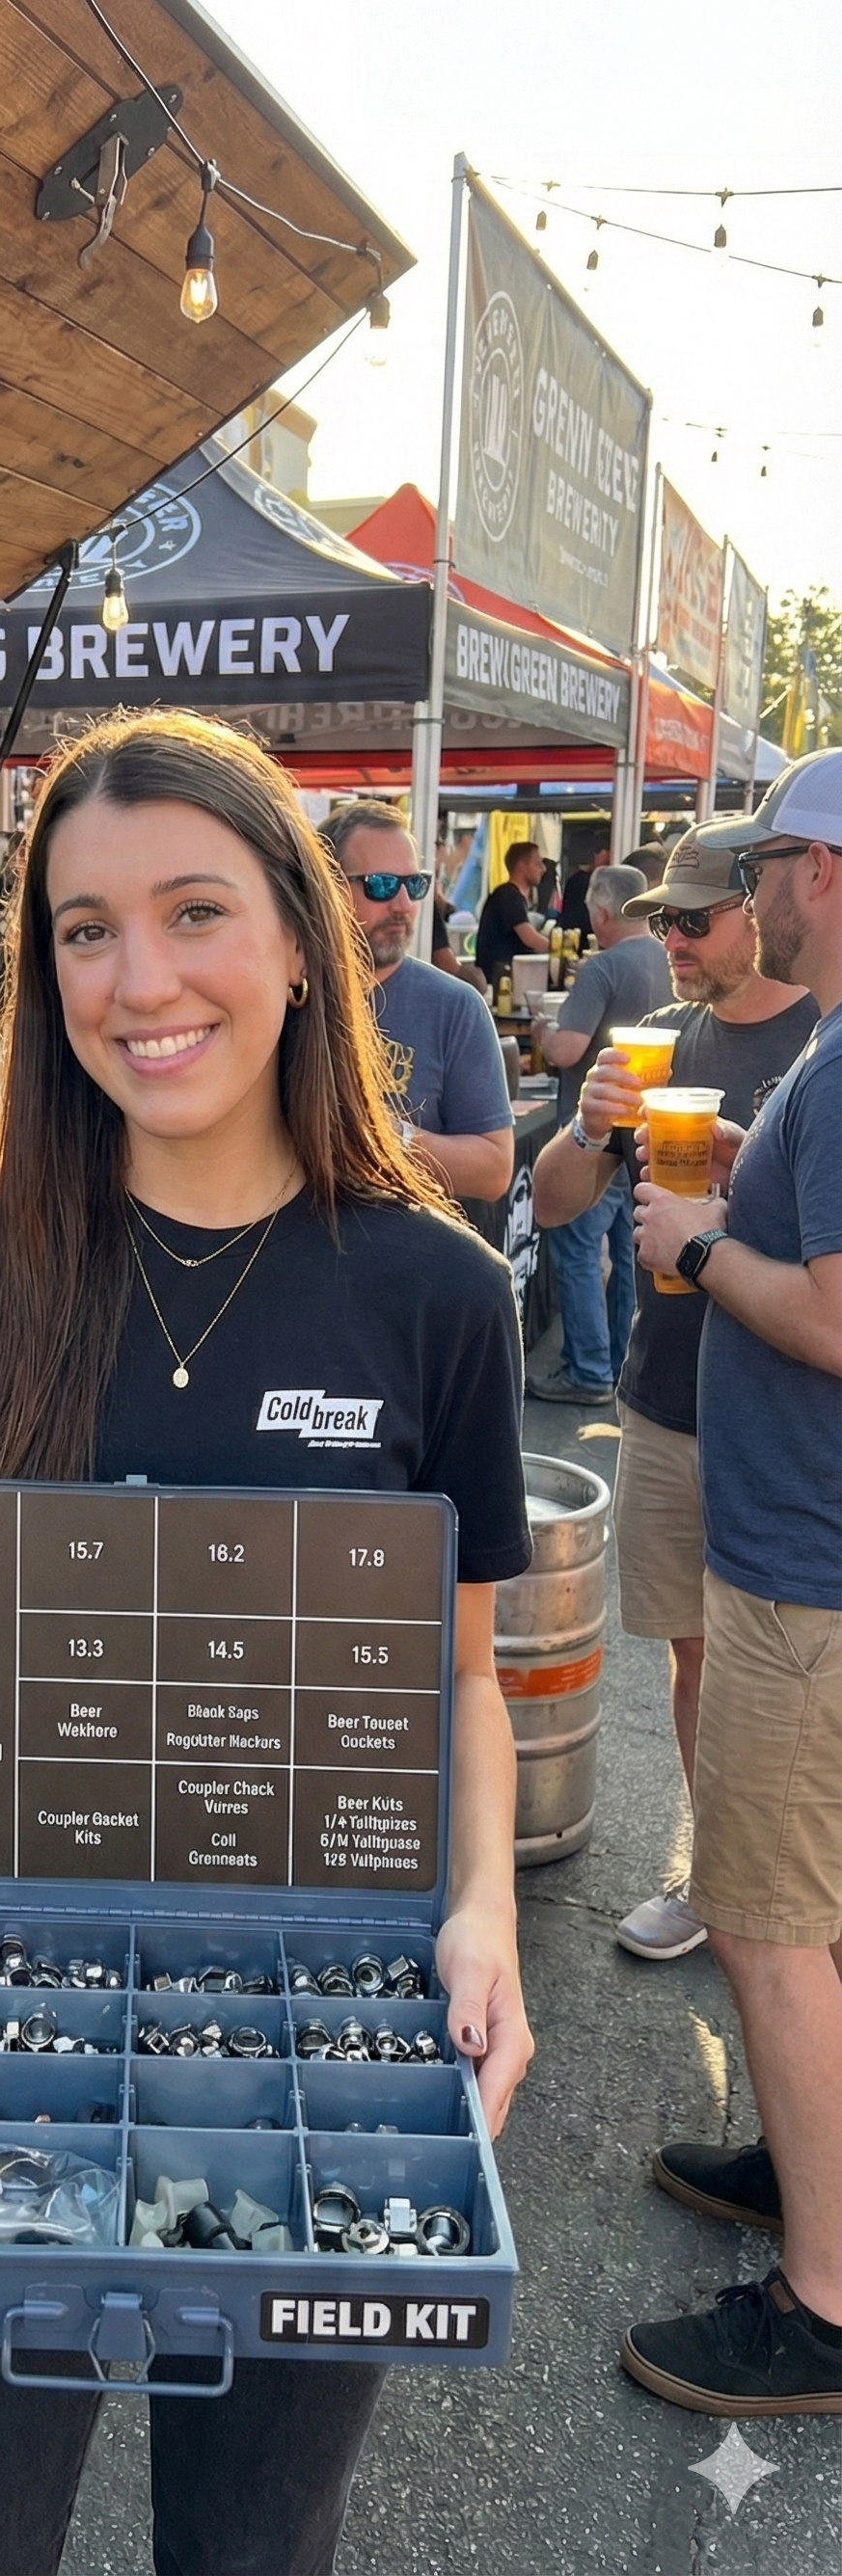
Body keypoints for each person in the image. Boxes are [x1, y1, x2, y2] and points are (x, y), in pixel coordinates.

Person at [0, 711, 536, 2573]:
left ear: (297, 942)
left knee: (257, 2544)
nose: (139, 979)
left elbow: (461, 1677)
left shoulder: (432, 1291)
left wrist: (480, 1904)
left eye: (192, 912)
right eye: (84, 930)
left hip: (323, 2007)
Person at [622, 755, 842, 2417]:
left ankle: (824, 2302)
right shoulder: (822, 1061)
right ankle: (803, 2158)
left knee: (766, 1923)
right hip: (805, 1549)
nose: (751, 893)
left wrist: (693, 1244)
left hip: (805, 1565)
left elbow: (836, 1321)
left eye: (769, 860)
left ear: (820, 872)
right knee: (809, 1915)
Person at [530, 827, 817, 1957]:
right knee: (693, 1650)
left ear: (762, 908)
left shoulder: (821, 1042)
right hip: (665, 1396)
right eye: (665, 922)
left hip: (788, 1419)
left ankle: (790, 1908)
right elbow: (553, 1203)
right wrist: (594, 1125)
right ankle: (714, 1878)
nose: (676, 942)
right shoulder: (651, 1040)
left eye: (697, 921)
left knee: (790, 1666)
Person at [529, 866, 670, 1404]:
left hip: (595, 1132)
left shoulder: (603, 967)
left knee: (578, 1251)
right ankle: (614, 1364)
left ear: (604, 914)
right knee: (629, 1254)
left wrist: (542, 1028)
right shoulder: (665, 957)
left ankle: (589, 1370)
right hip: (646, 1133)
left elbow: (565, 1051)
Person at [325, 800, 514, 1201]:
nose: (403, 905)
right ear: (327, 885)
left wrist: (386, 1135)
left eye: (414, 885)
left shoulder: (453, 1007)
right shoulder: (281, 993)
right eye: (381, 885)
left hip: (402, 1256)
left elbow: (494, 1171)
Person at [475, 838, 547, 983]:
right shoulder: (508, 895)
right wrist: (562, 950)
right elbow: (530, 939)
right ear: (522, 866)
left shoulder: (511, 896)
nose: (543, 869)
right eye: (538, 863)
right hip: (500, 982)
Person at [557, 834, 609, 946]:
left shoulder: (574, 880)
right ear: (597, 854)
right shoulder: (587, 882)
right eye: (607, 852)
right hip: (584, 943)